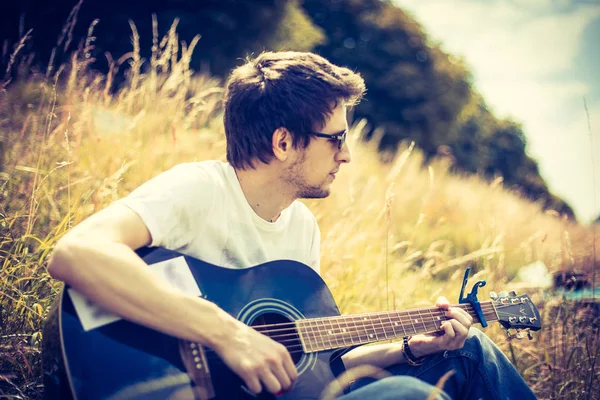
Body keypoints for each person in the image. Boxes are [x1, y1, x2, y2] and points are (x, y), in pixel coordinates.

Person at [47, 51, 537, 399]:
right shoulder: (199, 189)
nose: (346, 155)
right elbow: (77, 253)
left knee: (468, 348)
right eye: (336, 137)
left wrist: (409, 347)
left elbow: (322, 365)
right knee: (408, 396)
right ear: (284, 143)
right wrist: (228, 334)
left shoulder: (301, 229)